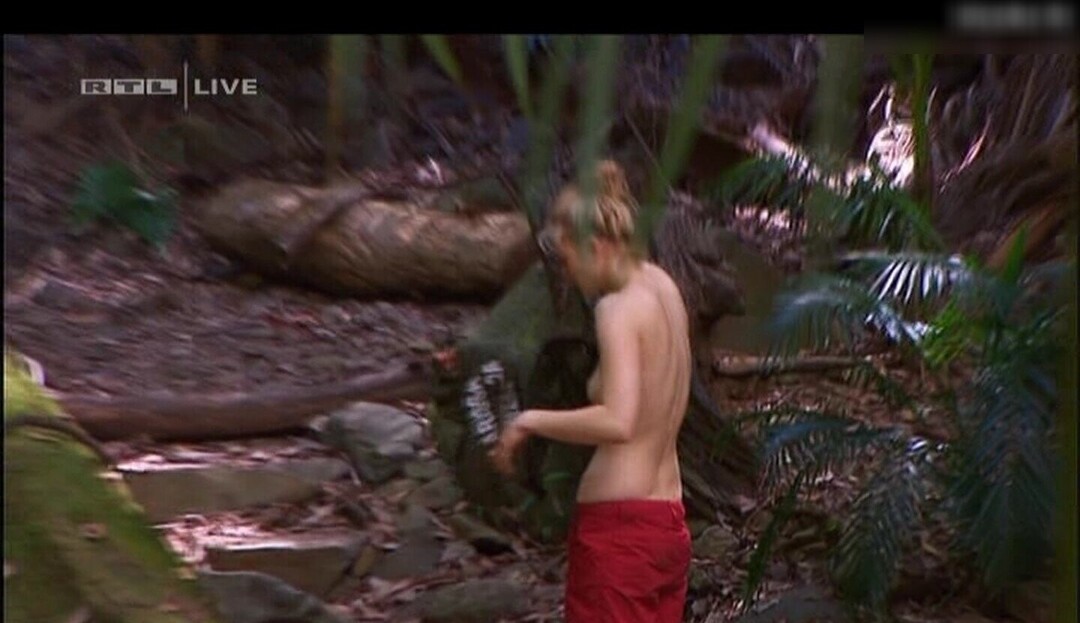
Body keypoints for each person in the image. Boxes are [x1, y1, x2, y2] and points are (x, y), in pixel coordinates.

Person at [490, 159, 693, 622]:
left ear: (597, 247)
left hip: (619, 536)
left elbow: (619, 420)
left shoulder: (617, 309)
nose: (566, 273)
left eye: (567, 260)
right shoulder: (663, 287)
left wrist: (529, 421)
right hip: (667, 527)